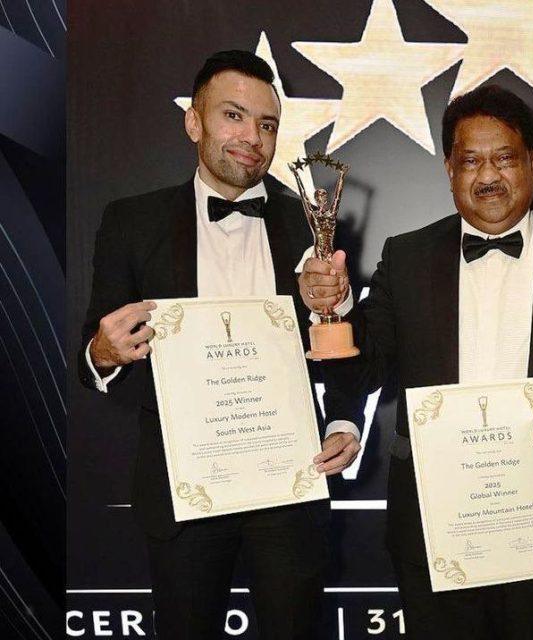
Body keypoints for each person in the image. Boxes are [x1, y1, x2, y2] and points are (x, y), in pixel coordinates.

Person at [300, 84, 533, 639]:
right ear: (448, 169)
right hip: (436, 521)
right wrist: (336, 307)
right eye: (470, 161)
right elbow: (368, 369)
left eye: (504, 158)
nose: (488, 176)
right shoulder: (406, 256)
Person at [78, 50, 361, 639]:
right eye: (233, 115)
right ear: (194, 122)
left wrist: (342, 421)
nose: (252, 138)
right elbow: (94, 353)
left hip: (289, 484)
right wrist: (104, 353)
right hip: (186, 493)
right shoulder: (132, 222)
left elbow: (338, 345)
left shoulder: (310, 226)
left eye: (267, 124)